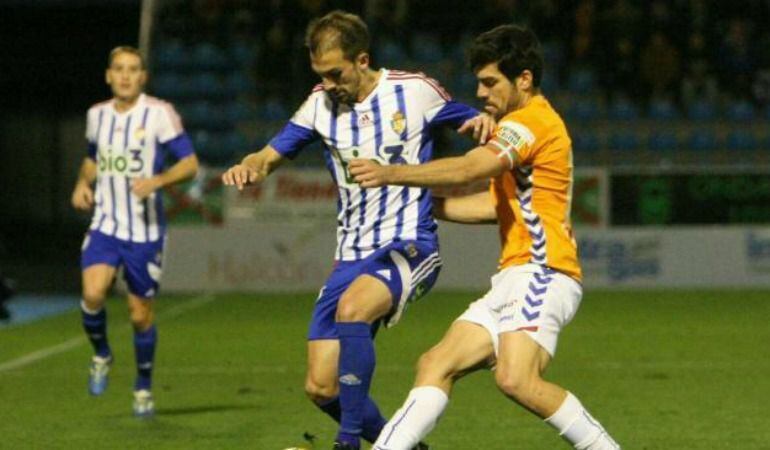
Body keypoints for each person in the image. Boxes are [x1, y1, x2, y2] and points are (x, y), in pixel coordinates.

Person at [221, 10, 492, 450]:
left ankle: (347, 443)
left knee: (353, 308)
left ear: (362, 59)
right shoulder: (318, 106)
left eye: (334, 73)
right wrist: (249, 167)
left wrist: (482, 123)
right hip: (350, 255)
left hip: (410, 245)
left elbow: (474, 122)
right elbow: (267, 156)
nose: (328, 84)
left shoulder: (415, 91)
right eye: (320, 75)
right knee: (321, 386)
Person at [350, 25, 621, 449]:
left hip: (544, 271)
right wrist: (425, 204)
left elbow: (470, 168)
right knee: (436, 363)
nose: (480, 91)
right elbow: (493, 208)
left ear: (525, 79)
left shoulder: (530, 123)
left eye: (491, 81)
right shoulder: (516, 125)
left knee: (516, 378)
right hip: (515, 276)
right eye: (478, 81)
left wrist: (392, 174)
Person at [70, 46, 198, 417]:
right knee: (93, 292)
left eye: (133, 69)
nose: (126, 75)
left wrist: (158, 179)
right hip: (105, 224)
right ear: (109, 75)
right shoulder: (97, 115)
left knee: (140, 315)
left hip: (145, 232)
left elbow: (190, 163)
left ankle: (143, 386)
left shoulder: (159, 114)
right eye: (119, 69)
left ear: (143, 77)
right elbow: (92, 159)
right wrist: (82, 183)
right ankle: (101, 353)